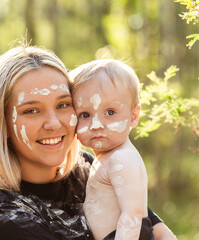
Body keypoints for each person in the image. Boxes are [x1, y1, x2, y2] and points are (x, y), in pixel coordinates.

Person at [0, 45, 175, 240]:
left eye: (63, 105)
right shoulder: (2, 216)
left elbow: (159, 232)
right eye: (31, 110)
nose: (53, 123)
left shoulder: (87, 169)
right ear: (2, 124)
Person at [69, 60, 176, 240]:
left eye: (110, 112)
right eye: (85, 115)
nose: (96, 125)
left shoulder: (122, 158)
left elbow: (132, 215)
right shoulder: (105, 157)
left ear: (133, 117)